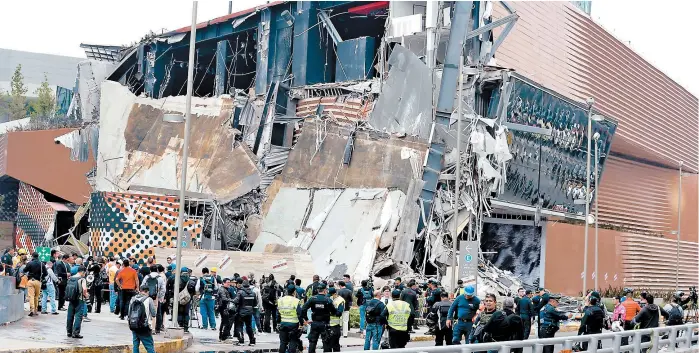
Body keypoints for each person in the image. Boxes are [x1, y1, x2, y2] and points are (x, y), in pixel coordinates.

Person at [301, 283, 337, 353]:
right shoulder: (328, 300)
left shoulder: (312, 299)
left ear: (318, 290)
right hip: (325, 324)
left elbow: (303, 309)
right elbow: (334, 312)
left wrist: (307, 319)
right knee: (326, 342)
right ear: (325, 290)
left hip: (314, 323)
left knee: (312, 342)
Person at [128, 284, 157, 353]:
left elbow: (129, 312)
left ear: (140, 291)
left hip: (133, 325)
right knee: (149, 346)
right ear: (147, 292)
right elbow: (153, 314)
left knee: (135, 345)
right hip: (144, 326)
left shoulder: (133, 299)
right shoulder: (149, 300)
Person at [167, 266, 196, 333]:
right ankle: (186, 327)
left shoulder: (177, 279)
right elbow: (193, 292)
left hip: (178, 298)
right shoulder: (191, 281)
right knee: (186, 313)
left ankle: (180, 325)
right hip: (187, 299)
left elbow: (172, 289)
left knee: (179, 312)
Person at [277, 284, 303, 353]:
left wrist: (278, 322)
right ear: (294, 292)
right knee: (293, 341)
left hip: (283, 323)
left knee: (283, 342)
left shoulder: (280, 300)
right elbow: (299, 314)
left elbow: (278, 313)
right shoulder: (296, 301)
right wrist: (302, 324)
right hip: (293, 324)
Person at [66, 265, 88, 338]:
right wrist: (86, 295)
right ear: (82, 272)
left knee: (70, 315)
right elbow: (84, 289)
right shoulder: (82, 279)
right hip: (79, 299)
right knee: (78, 316)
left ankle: (69, 331)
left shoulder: (71, 278)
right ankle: (76, 333)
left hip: (71, 298)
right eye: (84, 273)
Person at [233, 279, 258, 346]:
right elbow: (255, 303)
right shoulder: (253, 293)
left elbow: (236, 301)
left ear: (243, 285)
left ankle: (241, 340)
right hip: (249, 312)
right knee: (249, 326)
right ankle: (252, 340)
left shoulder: (240, 292)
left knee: (240, 326)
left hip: (241, 312)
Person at [23, 252, 46, 317]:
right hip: (38, 281)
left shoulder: (29, 263)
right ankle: (36, 310)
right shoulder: (42, 264)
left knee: (31, 296)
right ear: (38, 256)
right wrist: (41, 277)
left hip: (30, 281)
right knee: (36, 296)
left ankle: (32, 310)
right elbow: (46, 273)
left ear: (32, 256)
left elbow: (24, 270)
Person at [327, 287, 346, 351]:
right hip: (328, 324)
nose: (330, 296)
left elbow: (339, 313)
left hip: (336, 325)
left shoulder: (341, 300)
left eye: (331, 295)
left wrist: (329, 313)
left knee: (335, 343)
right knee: (328, 343)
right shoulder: (330, 298)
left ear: (335, 294)